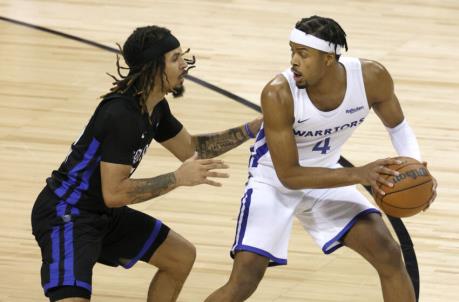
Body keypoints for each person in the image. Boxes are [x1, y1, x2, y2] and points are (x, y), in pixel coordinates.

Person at [206, 15, 437, 302]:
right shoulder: (278, 93)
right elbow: (289, 175)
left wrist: (416, 173)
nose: (293, 61)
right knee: (244, 280)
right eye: (292, 50)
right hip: (272, 182)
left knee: (388, 253)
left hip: (327, 176)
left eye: (303, 54)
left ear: (329, 59)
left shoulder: (370, 78)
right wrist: (360, 174)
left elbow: (398, 127)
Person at [31, 25, 262, 302]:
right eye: (175, 58)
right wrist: (177, 179)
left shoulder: (154, 107)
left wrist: (253, 128)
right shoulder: (121, 115)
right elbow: (115, 193)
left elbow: (192, 149)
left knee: (180, 256)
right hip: (67, 214)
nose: (184, 65)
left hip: (100, 212)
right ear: (154, 67)